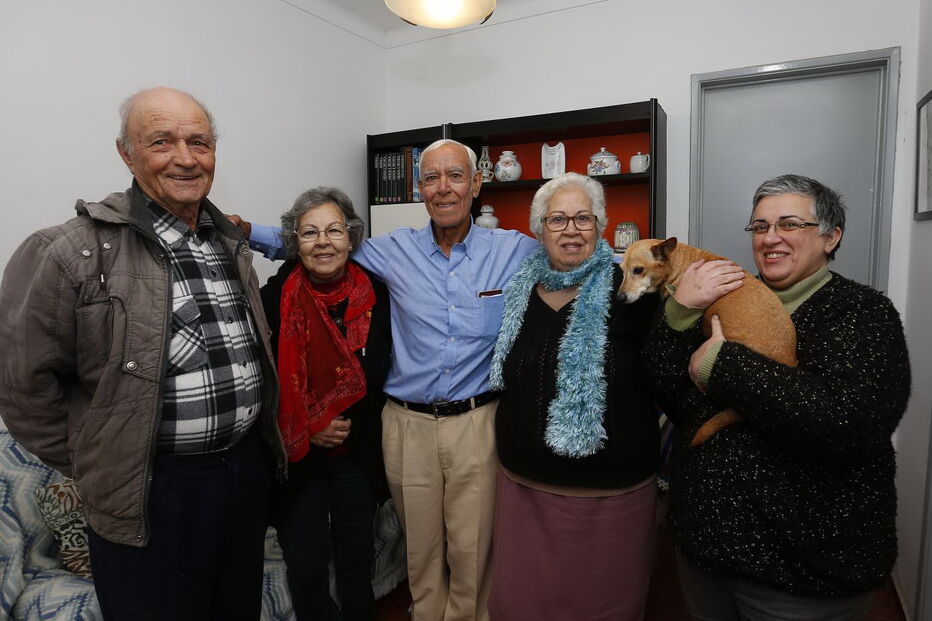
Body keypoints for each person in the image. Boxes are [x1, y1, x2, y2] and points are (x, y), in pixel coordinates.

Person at [0, 87, 286, 620]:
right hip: (150, 490)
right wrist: (104, 457)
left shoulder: (228, 243)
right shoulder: (70, 250)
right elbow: (22, 392)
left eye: (199, 142)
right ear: (126, 153)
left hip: (242, 477)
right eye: (162, 141)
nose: (185, 157)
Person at [241, 139, 539, 621]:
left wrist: (675, 271)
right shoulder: (388, 252)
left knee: (472, 550)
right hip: (406, 427)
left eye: (455, 176)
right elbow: (316, 242)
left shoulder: (516, 250)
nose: (443, 188)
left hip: (476, 422)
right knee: (419, 551)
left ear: (477, 183)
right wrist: (244, 230)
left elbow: (579, 255)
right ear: (419, 189)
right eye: (432, 178)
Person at [643, 174, 910, 620]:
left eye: (789, 224)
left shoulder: (862, 313)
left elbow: (847, 424)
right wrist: (679, 310)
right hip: (704, 553)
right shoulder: (726, 293)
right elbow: (668, 391)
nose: (770, 239)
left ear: (831, 237)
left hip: (801, 575)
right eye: (759, 227)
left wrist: (721, 366)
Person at [487, 172, 660, 620]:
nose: (571, 229)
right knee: (526, 604)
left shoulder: (634, 290)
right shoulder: (519, 291)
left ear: (601, 226)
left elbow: (667, 376)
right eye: (557, 219)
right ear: (539, 229)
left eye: (583, 218)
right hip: (525, 489)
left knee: (603, 606)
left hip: (610, 495)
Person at [259, 187, 391, 620]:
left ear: (351, 237)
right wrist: (308, 424)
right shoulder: (273, 299)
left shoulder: (378, 294)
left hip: (357, 457)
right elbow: (261, 381)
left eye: (334, 230)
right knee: (307, 567)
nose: (323, 242)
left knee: (356, 562)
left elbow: (385, 374)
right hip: (298, 460)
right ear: (294, 243)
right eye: (309, 232)